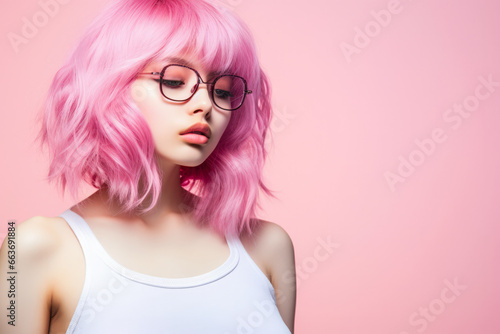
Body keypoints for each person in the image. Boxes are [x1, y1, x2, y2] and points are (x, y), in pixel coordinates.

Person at [0, 0, 296, 333]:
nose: (205, 105)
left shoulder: (268, 246)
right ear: (112, 86)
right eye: (174, 81)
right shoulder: (27, 248)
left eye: (223, 90)